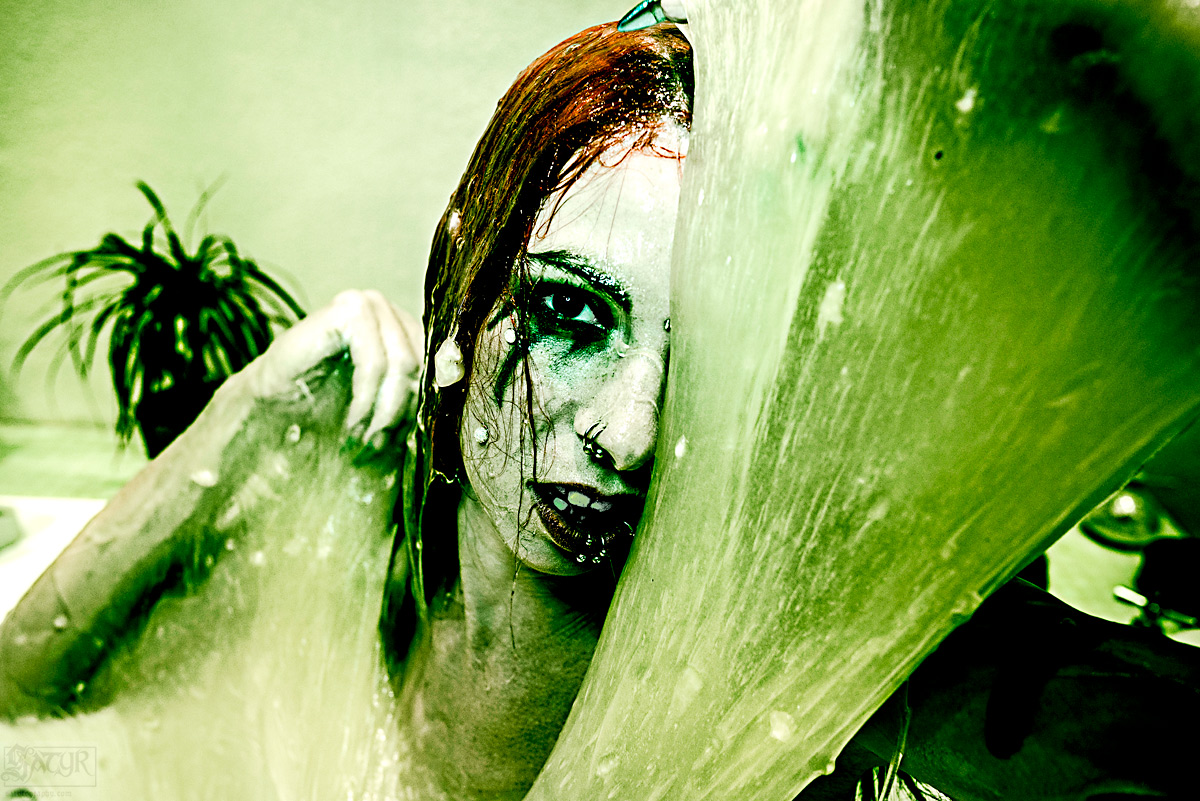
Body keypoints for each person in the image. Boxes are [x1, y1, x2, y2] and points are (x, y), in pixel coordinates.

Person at [0, 18, 1196, 801]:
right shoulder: (349, 531)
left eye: (699, 363)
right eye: (572, 315)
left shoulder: (782, 658)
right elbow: (21, 694)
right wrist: (254, 406)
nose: (626, 434)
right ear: (466, 297)